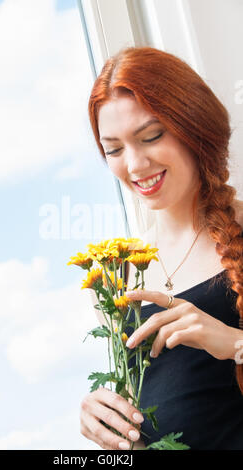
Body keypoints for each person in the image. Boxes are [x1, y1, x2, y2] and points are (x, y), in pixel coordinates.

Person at [80, 46, 243, 450]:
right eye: (114, 149)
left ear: (194, 124)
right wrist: (107, 422)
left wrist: (234, 344)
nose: (134, 165)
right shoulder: (122, 270)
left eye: (150, 136)